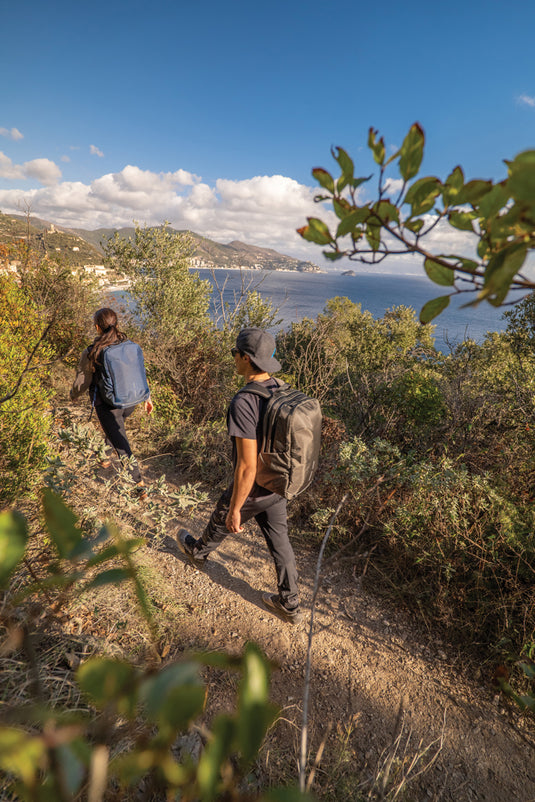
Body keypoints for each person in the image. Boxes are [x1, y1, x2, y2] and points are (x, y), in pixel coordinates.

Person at [177, 327, 302, 624]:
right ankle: (290, 603)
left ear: (246, 358)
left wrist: (236, 508)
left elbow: (246, 466)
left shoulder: (244, 402)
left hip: (255, 486)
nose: (233, 357)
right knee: (280, 542)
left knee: (223, 515)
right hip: (278, 483)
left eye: (235, 353)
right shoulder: (280, 389)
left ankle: (198, 552)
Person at [70, 307, 153, 498]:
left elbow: (83, 381)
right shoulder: (129, 344)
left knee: (122, 445)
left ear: (97, 327)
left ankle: (139, 485)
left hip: (108, 404)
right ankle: (103, 456)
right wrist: (147, 397)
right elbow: (139, 372)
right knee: (116, 430)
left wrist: (73, 394)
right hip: (131, 401)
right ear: (116, 323)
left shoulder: (92, 351)